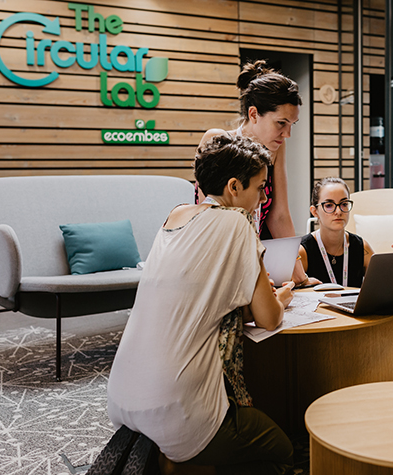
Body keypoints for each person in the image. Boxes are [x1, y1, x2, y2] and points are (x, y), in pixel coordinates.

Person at [107, 134, 295, 473]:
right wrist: (280, 298)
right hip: (180, 413)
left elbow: (198, 293)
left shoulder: (175, 215)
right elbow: (269, 319)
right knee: (282, 451)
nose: (264, 197)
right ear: (234, 186)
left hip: (121, 397)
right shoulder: (236, 223)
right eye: (260, 187)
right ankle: (181, 463)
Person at [198, 59, 300, 241]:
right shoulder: (216, 140)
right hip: (217, 247)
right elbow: (204, 214)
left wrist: (297, 266)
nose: (287, 134)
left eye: (292, 124)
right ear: (253, 114)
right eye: (281, 123)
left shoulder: (276, 147)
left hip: (258, 250)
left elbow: (279, 216)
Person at [299, 177, 375, 288]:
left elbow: (384, 283)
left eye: (344, 204)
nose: (338, 212)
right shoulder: (303, 251)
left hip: (353, 306)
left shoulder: (361, 247)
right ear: (315, 211)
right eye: (329, 205)